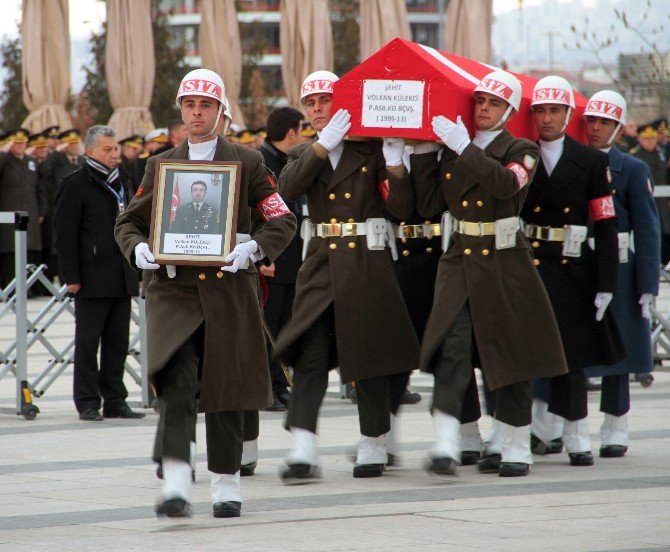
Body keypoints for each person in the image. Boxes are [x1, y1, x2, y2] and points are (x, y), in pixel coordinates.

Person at [114, 68, 295, 519]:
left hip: (229, 293)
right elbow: (129, 220)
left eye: (205, 105)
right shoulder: (160, 165)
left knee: (226, 389)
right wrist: (137, 249)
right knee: (176, 382)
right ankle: (176, 479)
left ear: (220, 112)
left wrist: (254, 248)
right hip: (174, 294)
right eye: (189, 105)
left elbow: (281, 218)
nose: (196, 113)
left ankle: (226, 482)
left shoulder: (248, 162)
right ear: (181, 112)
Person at [391, 70, 567, 478]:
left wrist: (462, 146)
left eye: (493, 103)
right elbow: (430, 203)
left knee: (508, 352)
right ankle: (449, 440)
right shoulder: (455, 148)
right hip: (459, 257)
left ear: (508, 111)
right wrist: (416, 156)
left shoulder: (522, 149)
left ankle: (515, 442)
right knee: (451, 347)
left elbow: (506, 185)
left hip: (505, 258)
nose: (483, 108)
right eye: (479, 101)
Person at [273, 70, 420, 483]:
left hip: (367, 261)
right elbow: (286, 189)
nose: (319, 109)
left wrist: (395, 165)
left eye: (326, 101)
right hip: (321, 262)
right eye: (312, 103)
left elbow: (403, 209)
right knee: (310, 355)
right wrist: (323, 145)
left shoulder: (370, 149)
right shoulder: (306, 152)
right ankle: (303, 445)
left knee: (368, 354)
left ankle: (374, 441)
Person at [522, 76, 624, 466]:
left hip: (572, 267)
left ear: (568, 114)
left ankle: (576, 433)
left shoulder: (592, 161)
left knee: (572, 358)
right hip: (529, 264)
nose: (546, 118)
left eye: (554, 111)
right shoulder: (521, 156)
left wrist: (606, 283)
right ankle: (521, 431)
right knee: (525, 353)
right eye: (541, 111)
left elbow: (605, 223)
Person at [582, 90, 660, 457]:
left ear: (617, 127)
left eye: (604, 123)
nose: (596, 128)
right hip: (581, 263)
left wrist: (647, 284)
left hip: (622, 266)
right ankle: (561, 421)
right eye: (592, 121)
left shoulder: (633, 168)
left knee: (620, 349)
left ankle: (616, 423)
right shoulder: (575, 161)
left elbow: (647, 228)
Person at [53, 125, 143, 422]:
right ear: (89, 151)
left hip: (122, 273)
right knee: (89, 343)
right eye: (107, 149)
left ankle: (115, 399)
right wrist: (71, 277)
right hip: (91, 276)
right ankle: (88, 401)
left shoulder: (126, 181)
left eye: (115, 148)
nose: (114, 154)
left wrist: (138, 269)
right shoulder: (76, 183)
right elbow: (65, 234)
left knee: (118, 342)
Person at [258, 106, 307, 411]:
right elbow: (259, 210)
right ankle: (267, 389)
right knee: (268, 327)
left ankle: (280, 384)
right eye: (300, 130)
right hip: (272, 260)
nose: (302, 136)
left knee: (284, 327)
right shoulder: (262, 162)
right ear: (291, 133)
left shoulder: (288, 160)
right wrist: (264, 255)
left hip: (292, 260)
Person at [0, 128, 46, 289]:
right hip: (9, 213)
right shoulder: (5, 160)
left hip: (30, 213)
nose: (20, 146)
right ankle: (12, 289)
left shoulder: (31, 161)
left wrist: (42, 210)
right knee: (11, 251)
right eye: (16, 143)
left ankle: (30, 289)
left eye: (23, 143)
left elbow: (40, 188)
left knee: (30, 251)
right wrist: (4, 152)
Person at [39, 129, 85, 284]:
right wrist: (56, 153)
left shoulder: (81, 161)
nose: (74, 146)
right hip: (59, 208)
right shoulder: (57, 160)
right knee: (60, 244)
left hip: (80, 208)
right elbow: (44, 172)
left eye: (76, 143)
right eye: (71, 144)